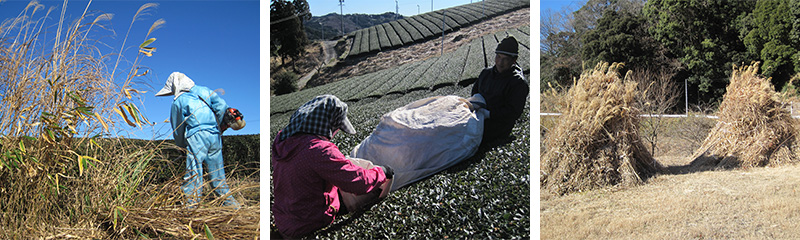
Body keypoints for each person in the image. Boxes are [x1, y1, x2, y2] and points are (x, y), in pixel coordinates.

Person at [272, 94, 393, 239]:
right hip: (308, 223)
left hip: (285, 220)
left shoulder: (282, 141)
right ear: (328, 124)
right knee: (369, 191)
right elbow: (357, 182)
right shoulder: (318, 150)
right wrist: (382, 172)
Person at [155, 72, 240, 208]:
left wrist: (182, 146)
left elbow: (178, 128)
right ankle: (231, 205)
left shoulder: (178, 101)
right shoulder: (205, 90)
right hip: (215, 135)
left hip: (196, 136)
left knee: (194, 172)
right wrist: (218, 127)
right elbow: (221, 107)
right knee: (217, 173)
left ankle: (190, 206)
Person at [470, 36, 529, 145]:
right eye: (498, 57)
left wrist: (489, 114)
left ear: (514, 60)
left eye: (505, 59)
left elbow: (513, 112)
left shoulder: (518, 83)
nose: (500, 62)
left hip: (497, 128)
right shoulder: (485, 74)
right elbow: (475, 93)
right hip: (478, 118)